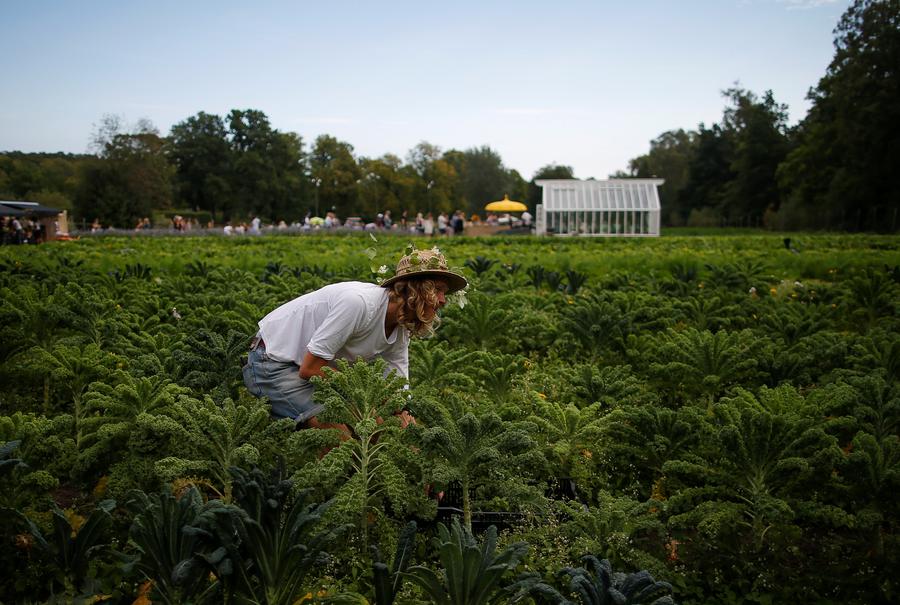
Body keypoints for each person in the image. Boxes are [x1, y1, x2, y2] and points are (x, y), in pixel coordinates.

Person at [242, 248, 467, 428]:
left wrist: (404, 416)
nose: (443, 300)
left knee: (377, 425)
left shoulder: (399, 326)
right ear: (414, 290)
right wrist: (367, 396)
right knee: (336, 428)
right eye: (437, 290)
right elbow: (310, 369)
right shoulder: (358, 304)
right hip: (272, 361)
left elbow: (397, 384)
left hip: (310, 367)